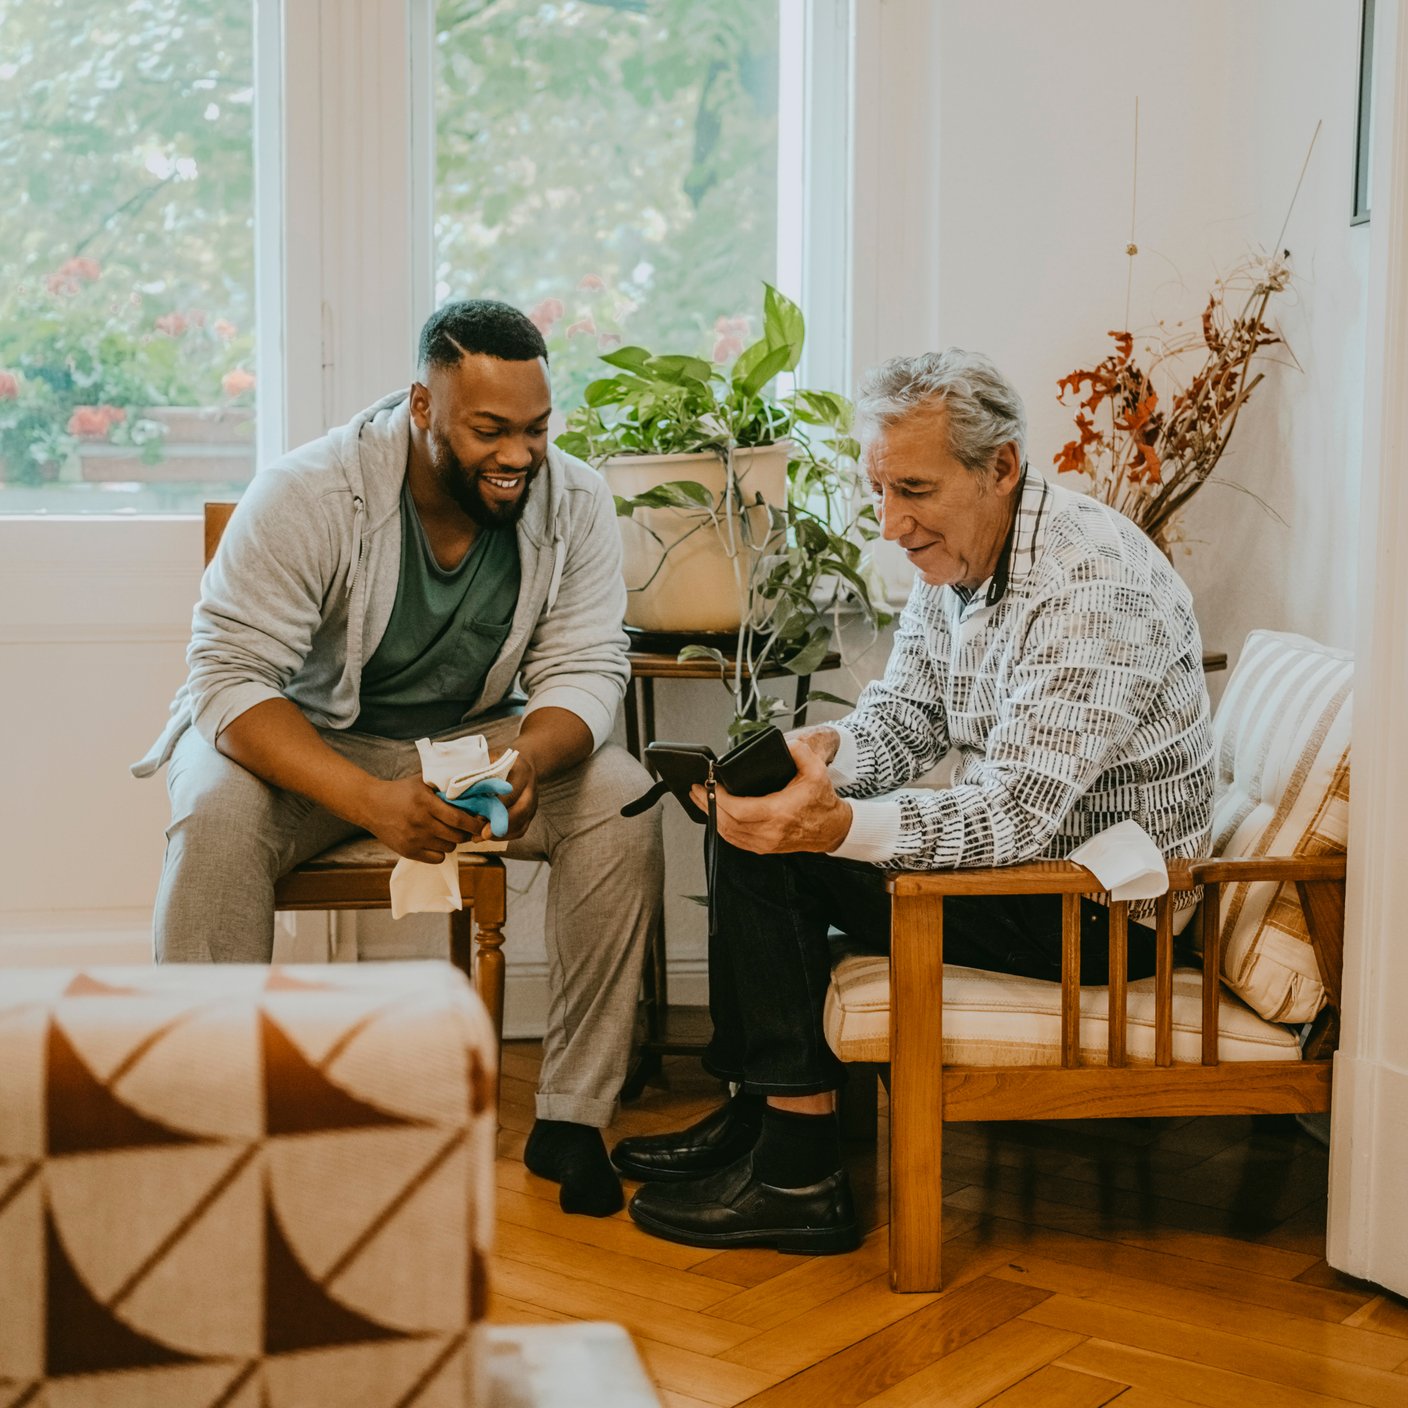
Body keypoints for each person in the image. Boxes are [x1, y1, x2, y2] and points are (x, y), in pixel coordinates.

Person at [614, 348, 1214, 1253]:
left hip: (1099, 909)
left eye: (916, 491)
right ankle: (762, 1110)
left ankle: (798, 1170)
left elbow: (1013, 814)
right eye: (882, 490)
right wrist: (826, 759)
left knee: (777, 843)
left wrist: (836, 823)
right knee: (753, 808)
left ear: (1001, 466)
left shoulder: (1094, 586)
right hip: (1034, 874)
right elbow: (909, 716)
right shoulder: (967, 556)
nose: (892, 523)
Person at [134, 299, 662, 1218]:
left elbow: (585, 665)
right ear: (422, 407)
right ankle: (203, 1121)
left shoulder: (572, 499)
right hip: (306, 741)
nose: (519, 456)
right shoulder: (306, 493)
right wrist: (370, 799)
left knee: (620, 797)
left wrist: (532, 760)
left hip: (474, 740)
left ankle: (572, 1117)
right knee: (214, 814)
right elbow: (227, 681)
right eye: (489, 430)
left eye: (536, 429)